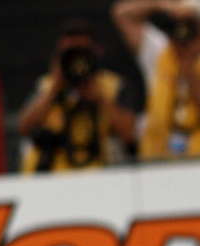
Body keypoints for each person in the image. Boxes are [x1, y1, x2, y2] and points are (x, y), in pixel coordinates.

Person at [111, 0, 200, 161]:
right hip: (157, 162)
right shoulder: (161, 52)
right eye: (181, 22)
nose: (185, 28)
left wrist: (187, 65)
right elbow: (122, 13)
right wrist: (164, 4)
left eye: (193, 23)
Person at [18, 20, 134, 173]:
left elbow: (129, 135)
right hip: (48, 174)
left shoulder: (111, 85)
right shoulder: (46, 85)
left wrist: (101, 99)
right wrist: (54, 90)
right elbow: (24, 127)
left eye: (82, 52)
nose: (77, 60)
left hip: (97, 174)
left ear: (95, 52)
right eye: (70, 53)